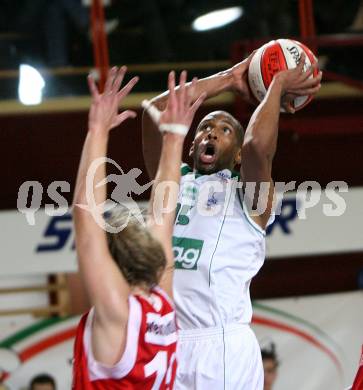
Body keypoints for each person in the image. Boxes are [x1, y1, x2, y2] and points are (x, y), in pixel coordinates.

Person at [142, 53, 322, 389]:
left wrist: (276, 84)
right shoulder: (172, 179)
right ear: (192, 142)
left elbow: (256, 147)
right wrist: (229, 78)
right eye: (205, 127)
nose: (211, 133)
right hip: (166, 340)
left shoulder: (247, 193)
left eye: (225, 130)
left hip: (220, 345)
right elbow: (154, 112)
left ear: (236, 153)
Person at [71, 66, 205, 388]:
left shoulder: (117, 311)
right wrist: (173, 137)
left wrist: (97, 131)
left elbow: (87, 224)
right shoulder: (162, 302)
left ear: (114, 263)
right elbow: (162, 215)